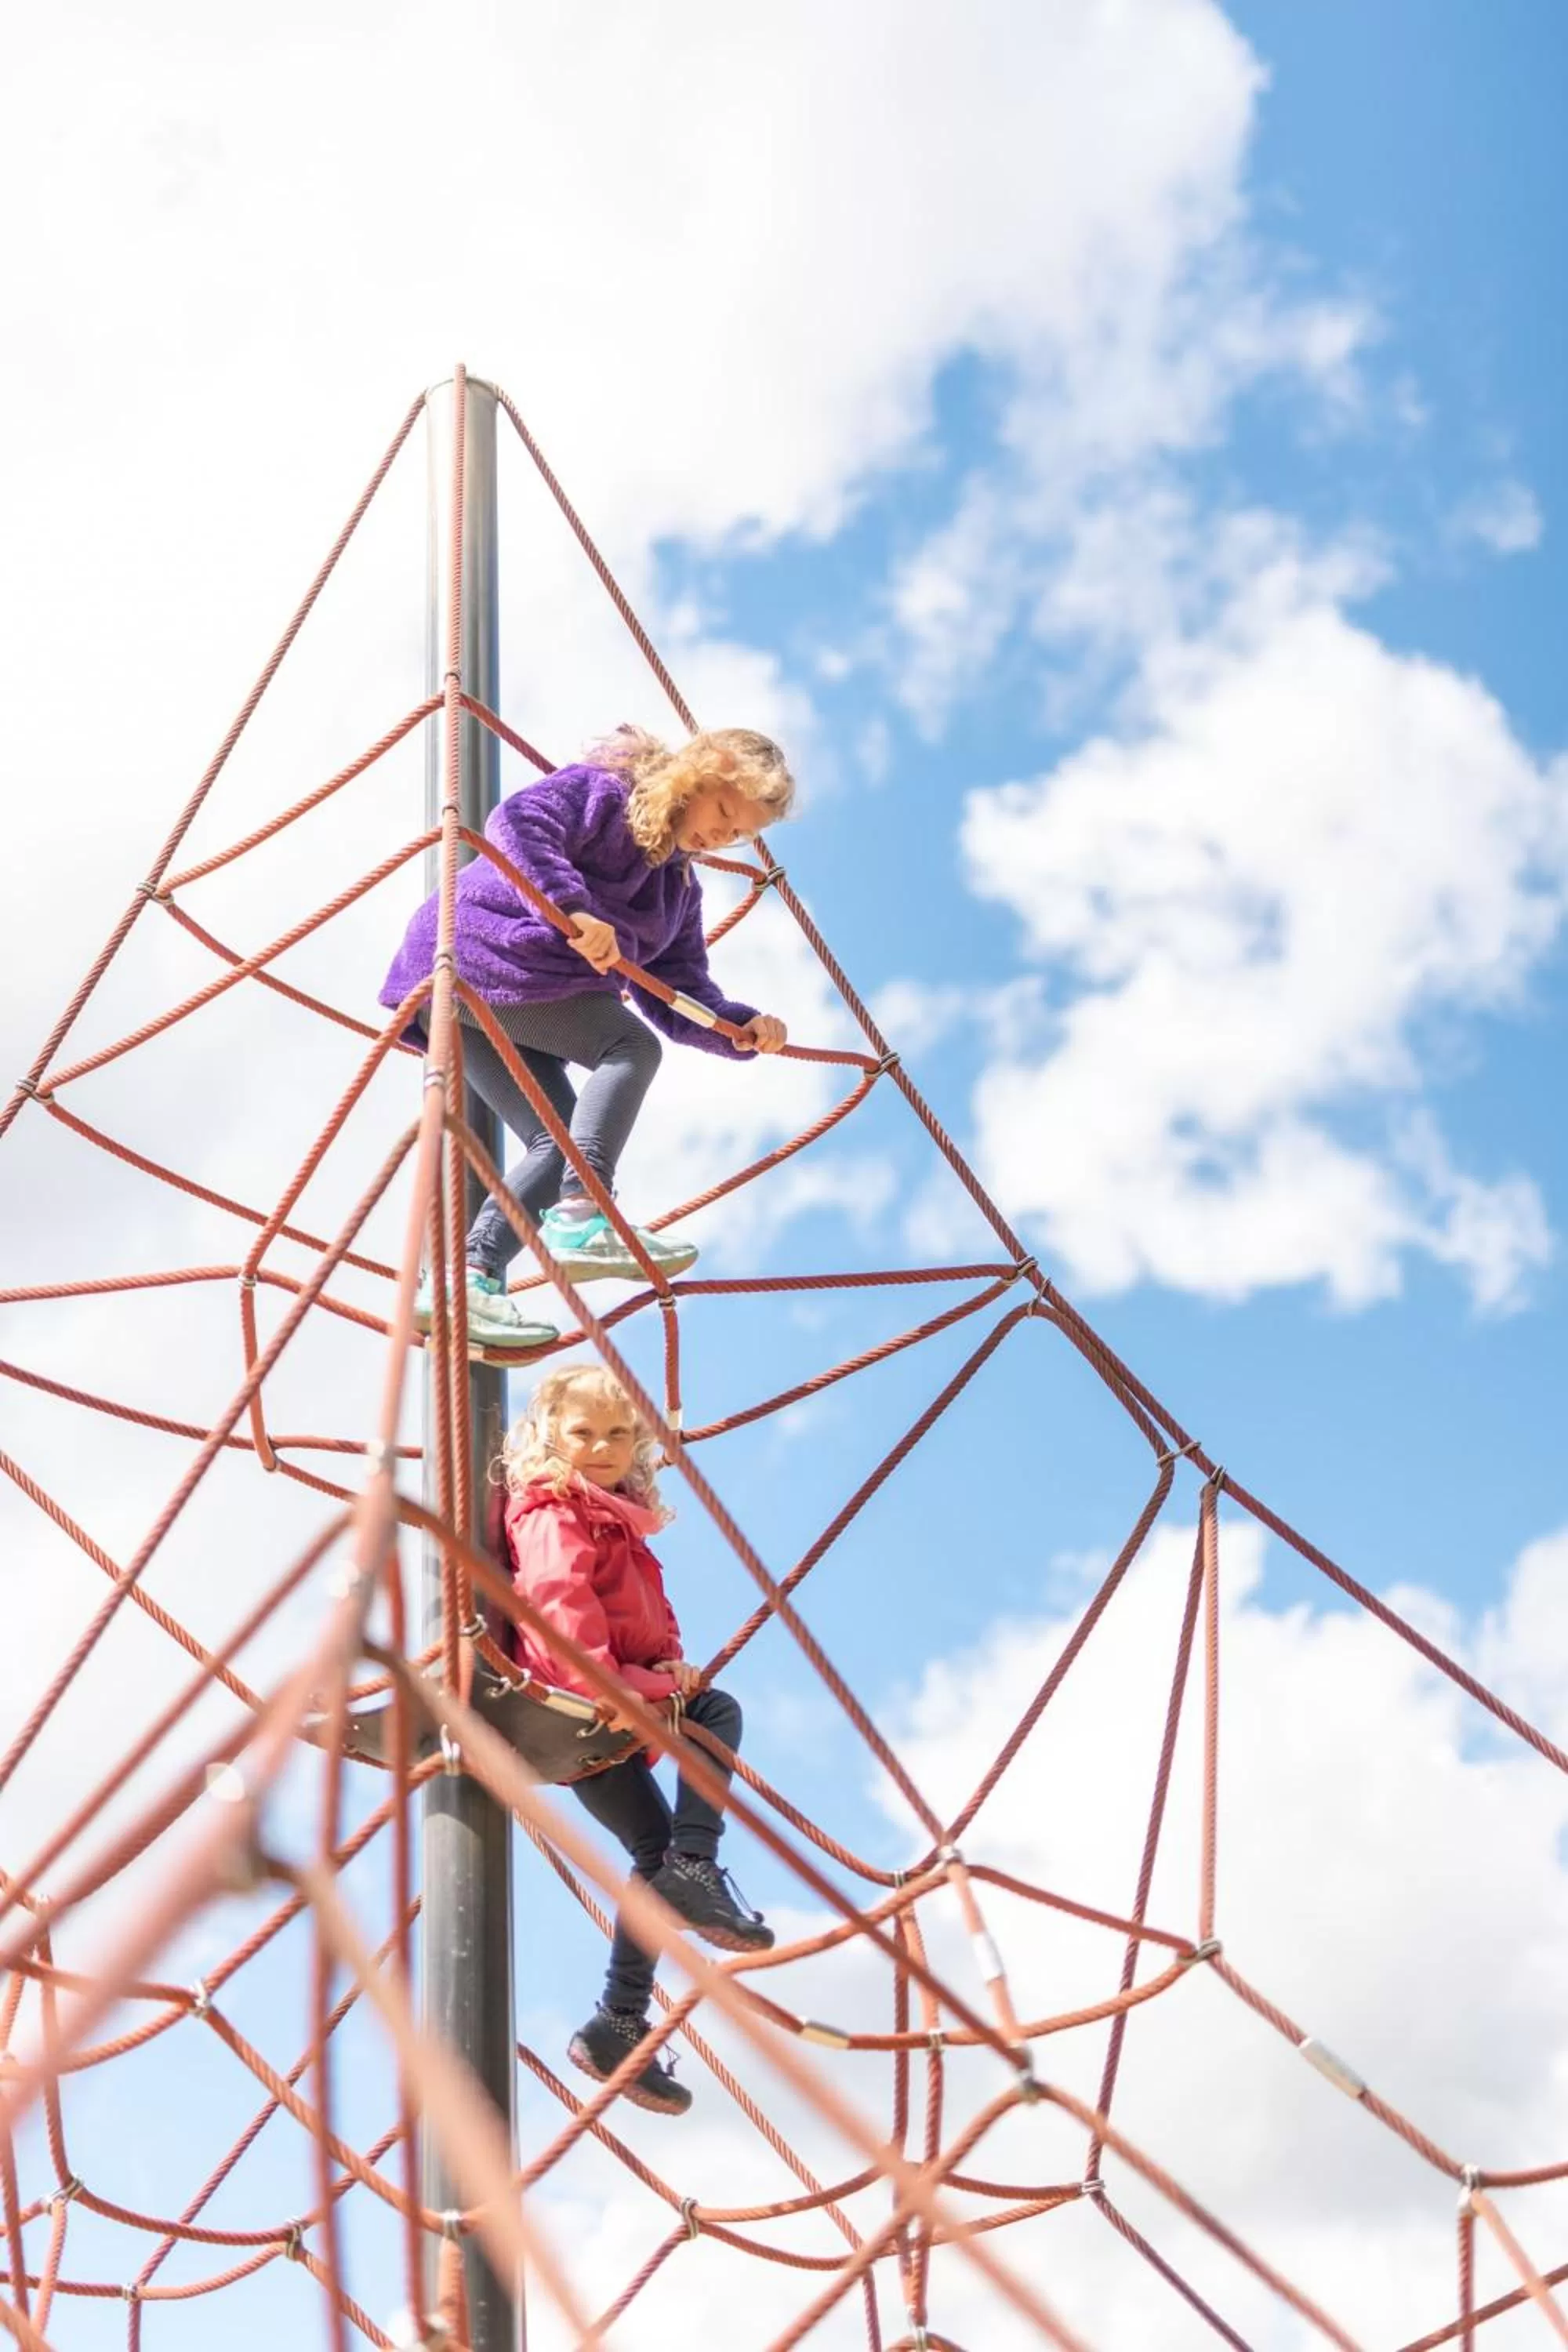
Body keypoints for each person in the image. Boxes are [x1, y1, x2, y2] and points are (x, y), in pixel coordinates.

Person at [380, 725, 793, 1352]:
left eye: (739, 835)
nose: (722, 836)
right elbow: (519, 823)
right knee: (629, 1049)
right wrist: (571, 907)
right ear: (701, 772)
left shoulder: (677, 891)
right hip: (480, 957)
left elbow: (679, 987)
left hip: (524, 996)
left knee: (559, 1145)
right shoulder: (606, 794)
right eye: (724, 812)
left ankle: (465, 1281)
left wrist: (738, 1027)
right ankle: (584, 1213)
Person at [499, 1363, 773, 2116]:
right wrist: (624, 1689)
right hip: (578, 1702)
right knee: (715, 1714)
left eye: (618, 1434)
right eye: (582, 1432)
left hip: (599, 1704)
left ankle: (616, 2024)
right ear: (547, 1433)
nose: (601, 1447)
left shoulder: (613, 1516)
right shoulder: (555, 1510)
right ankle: (695, 1866)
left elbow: (638, 1611)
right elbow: (559, 1609)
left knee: (653, 1859)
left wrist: (664, 1661)